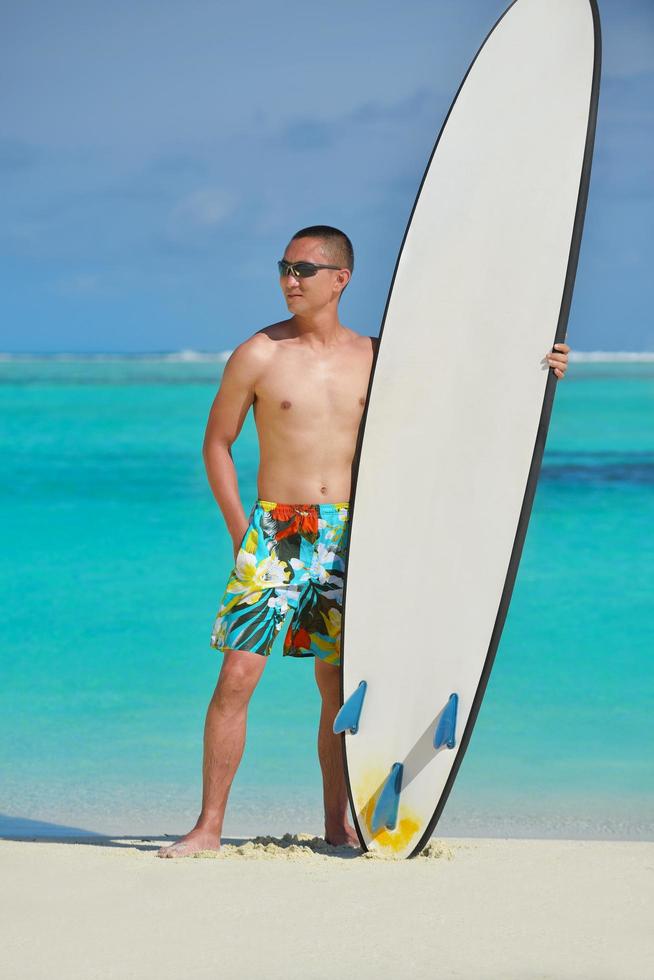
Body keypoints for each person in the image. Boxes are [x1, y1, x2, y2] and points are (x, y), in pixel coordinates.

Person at [157, 225, 570, 858]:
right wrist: (244, 531)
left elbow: (460, 403)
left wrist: (538, 370)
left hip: (356, 532)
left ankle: (336, 822)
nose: (289, 279)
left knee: (337, 689)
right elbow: (217, 443)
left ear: (340, 279)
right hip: (277, 532)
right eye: (284, 267)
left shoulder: (379, 356)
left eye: (303, 269)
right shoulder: (258, 353)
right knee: (237, 677)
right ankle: (208, 826)